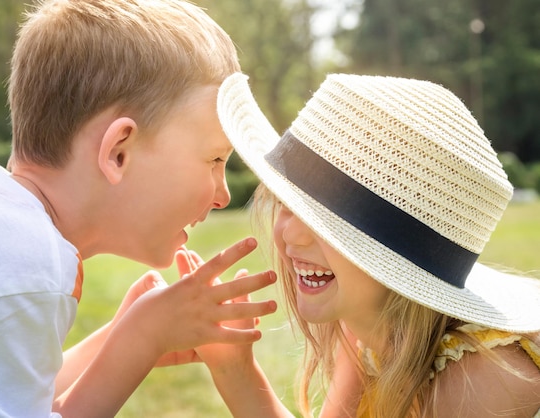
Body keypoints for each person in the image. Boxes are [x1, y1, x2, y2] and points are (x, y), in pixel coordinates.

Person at [0, 2, 279, 417]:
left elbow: (17, 396)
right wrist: (142, 338)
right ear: (118, 152)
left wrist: (112, 340)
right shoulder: (18, 270)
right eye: (215, 159)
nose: (223, 195)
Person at [186, 72, 540, 417]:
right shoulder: (364, 333)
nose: (291, 234)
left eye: (329, 223)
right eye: (284, 203)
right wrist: (235, 369)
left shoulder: (481, 381)